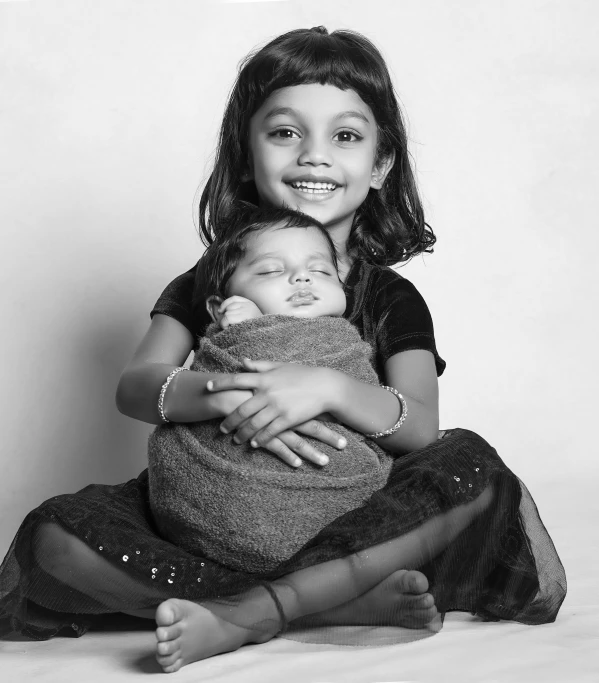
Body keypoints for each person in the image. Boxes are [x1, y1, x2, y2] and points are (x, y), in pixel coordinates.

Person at [0, 27, 566, 675]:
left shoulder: (389, 298)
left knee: (473, 468)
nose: (314, 156)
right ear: (245, 155)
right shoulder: (206, 279)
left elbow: (420, 427)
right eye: (284, 132)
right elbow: (136, 387)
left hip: (354, 528)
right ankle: (322, 605)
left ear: (381, 164)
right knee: (56, 534)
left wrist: (323, 388)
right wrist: (228, 390)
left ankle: (249, 613)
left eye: (346, 136)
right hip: (211, 519)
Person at [148, 205, 401, 575]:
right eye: (270, 270)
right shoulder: (224, 325)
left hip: (332, 502)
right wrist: (244, 333)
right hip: (228, 496)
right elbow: (146, 386)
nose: (302, 279)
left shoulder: (347, 336)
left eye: (320, 271)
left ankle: (305, 590)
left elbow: (384, 419)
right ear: (219, 305)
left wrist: (333, 389)